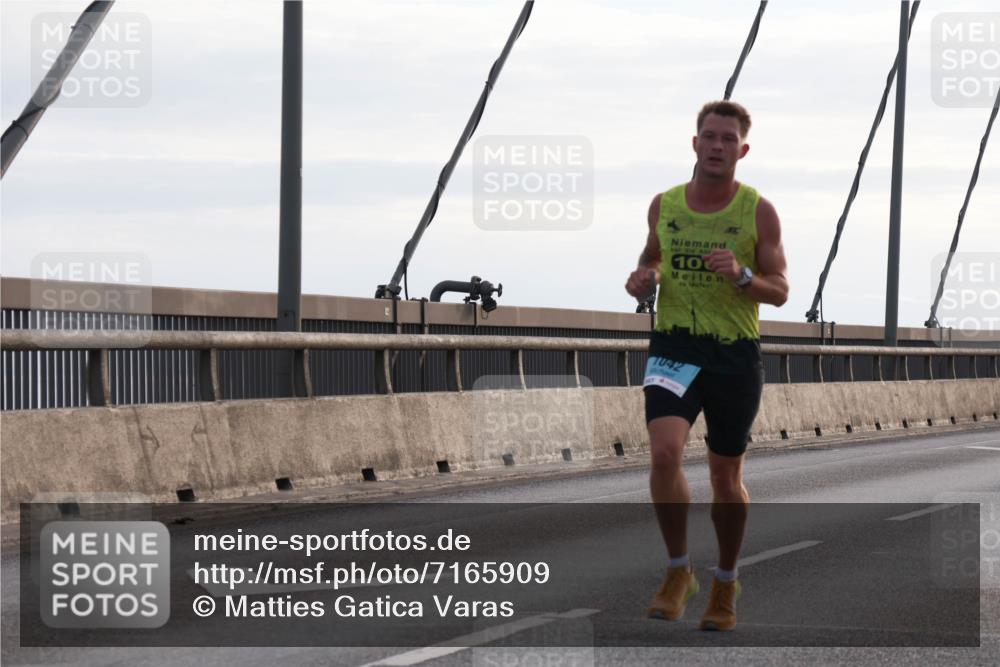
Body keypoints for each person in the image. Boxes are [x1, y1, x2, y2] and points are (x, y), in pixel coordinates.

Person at [624, 100, 789, 631]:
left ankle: (725, 582)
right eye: (709, 137)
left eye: (728, 139)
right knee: (666, 452)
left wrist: (742, 276)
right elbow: (651, 257)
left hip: (733, 355)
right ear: (695, 143)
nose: (717, 146)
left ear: (742, 150)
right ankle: (678, 572)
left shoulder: (757, 210)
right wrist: (643, 277)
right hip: (675, 345)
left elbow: (781, 290)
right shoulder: (665, 204)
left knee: (725, 476)